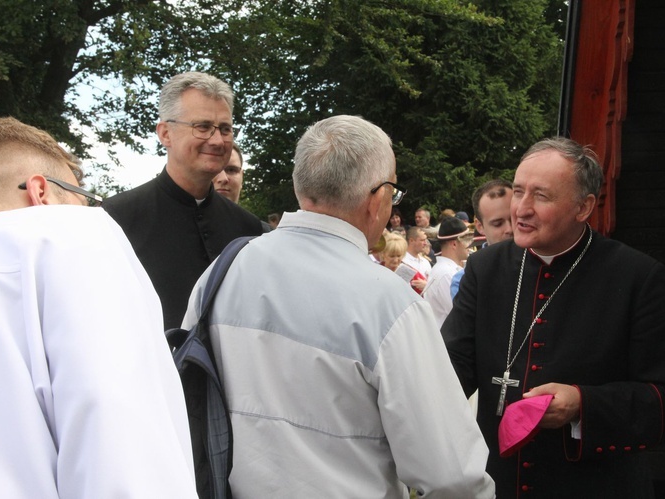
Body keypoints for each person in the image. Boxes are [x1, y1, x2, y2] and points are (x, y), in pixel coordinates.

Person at [183, 115, 495, 498]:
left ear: (301, 188)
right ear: (377, 199)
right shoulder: (390, 304)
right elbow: (451, 473)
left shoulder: (224, 270)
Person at [441, 137, 665, 498]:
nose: (522, 209)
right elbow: (449, 368)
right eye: (518, 192)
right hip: (499, 484)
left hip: (595, 487)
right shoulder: (486, 268)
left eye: (541, 196)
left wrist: (583, 404)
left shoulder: (636, 277)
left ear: (583, 207)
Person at [0, 117, 197, 497]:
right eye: (81, 196)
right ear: (41, 191)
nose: (88, 207)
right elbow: (113, 431)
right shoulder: (66, 236)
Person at [102, 71, 265, 329]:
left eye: (225, 129)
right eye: (203, 127)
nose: (217, 140)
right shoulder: (114, 220)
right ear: (165, 133)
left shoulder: (251, 230)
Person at [450, 179, 514, 298]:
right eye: (498, 224)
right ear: (480, 226)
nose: (509, 229)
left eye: (515, 219)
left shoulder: (543, 262)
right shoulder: (464, 280)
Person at [422, 216, 471, 328]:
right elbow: (461, 315)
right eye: (466, 240)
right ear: (454, 244)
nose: (470, 245)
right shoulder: (446, 274)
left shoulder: (447, 270)